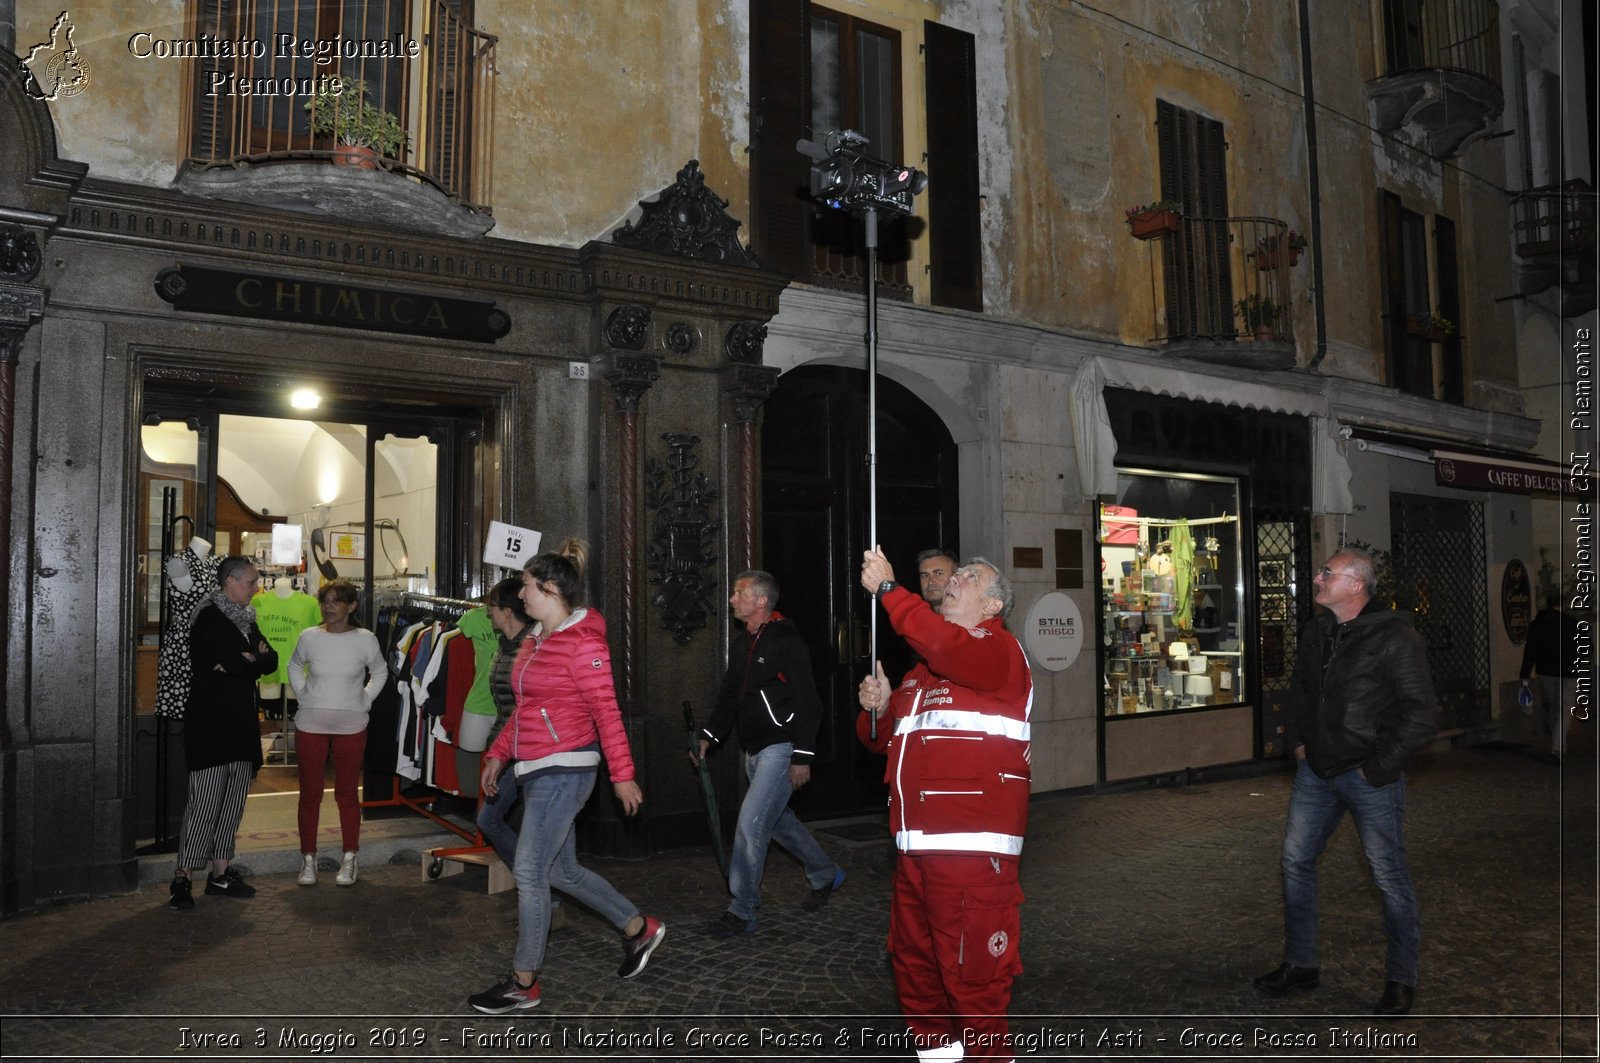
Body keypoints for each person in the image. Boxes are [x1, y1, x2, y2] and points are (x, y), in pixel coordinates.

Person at [468, 540, 665, 1014]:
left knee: (531, 872)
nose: (522, 596)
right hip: (536, 765)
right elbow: (525, 707)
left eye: (529, 588)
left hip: (568, 766)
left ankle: (524, 981)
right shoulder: (537, 639)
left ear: (552, 589)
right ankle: (640, 929)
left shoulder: (584, 644)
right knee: (561, 871)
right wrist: (499, 753)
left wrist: (623, 775)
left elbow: (607, 712)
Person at [856, 548, 1033, 1062]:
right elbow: (882, 744)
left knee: (974, 980)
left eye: (969, 577)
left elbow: (945, 645)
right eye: (956, 573)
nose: (955, 579)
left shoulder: (996, 649)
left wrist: (891, 591)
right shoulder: (920, 675)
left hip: (972, 855)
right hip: (914, 853)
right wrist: (880, 711)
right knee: (917, 972)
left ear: (993, 604)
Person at [1253, 549, 1439, 1017]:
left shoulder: (1395, 636)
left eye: (1327, 573)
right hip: (1316, 771)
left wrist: (1377, 768)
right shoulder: (1318, 631)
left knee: (1388, 877)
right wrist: (1297, 745)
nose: (1317, 578)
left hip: (1368, 776)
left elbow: (1422, 713)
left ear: (1356, 585)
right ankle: (1301, 964)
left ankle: (1401, 981)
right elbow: (1299, 691)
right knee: (1295, 863)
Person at [694, 570, 845, 936]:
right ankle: (826, 874)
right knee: (777, 822)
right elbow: (730, 694)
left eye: (739, 593)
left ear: (761, 601)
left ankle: (742, 910)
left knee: (751, 824)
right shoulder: (744, 642)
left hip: (782, 747)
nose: (732, 600)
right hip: (755, 749)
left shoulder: (786, 640)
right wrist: (710, 735)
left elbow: (810, 702)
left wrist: (802, 756)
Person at [168, 555, 278, 911]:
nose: (256, 588)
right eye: (251, 582)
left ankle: (220, 874)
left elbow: (270, 659)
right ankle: (182, 876)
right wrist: (248, 660)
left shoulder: (247, 619)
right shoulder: (209, 617)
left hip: (242, 725)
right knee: (203, 804)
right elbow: (221, 664)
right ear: (230, 581)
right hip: (211, 725)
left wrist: (247, 660)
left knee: (232, 805)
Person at [286, 579, 387, 887]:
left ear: (351, 606)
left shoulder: (365, 639)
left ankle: (350, 857)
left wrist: (365, 700)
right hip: (310, 724)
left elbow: (380, 671)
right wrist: (304, 696)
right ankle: (307, 860)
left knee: (346, 794)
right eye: (324, 601)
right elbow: (294, 666)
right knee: (310, 794)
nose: (328, 606)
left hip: (351, 725)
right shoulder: (309, 637)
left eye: (335, 601)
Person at [1520, 593, 1580, 762]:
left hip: (1546, 671)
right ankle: (1558, 748)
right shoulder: (1572, 624)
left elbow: (1530, 650)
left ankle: (1559, 745)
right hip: (1568, 672)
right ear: (1564, 605)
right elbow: (1586, 648)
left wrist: (1525, 674)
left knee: (1555, 707)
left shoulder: (1537, 625)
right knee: (1565, 709)